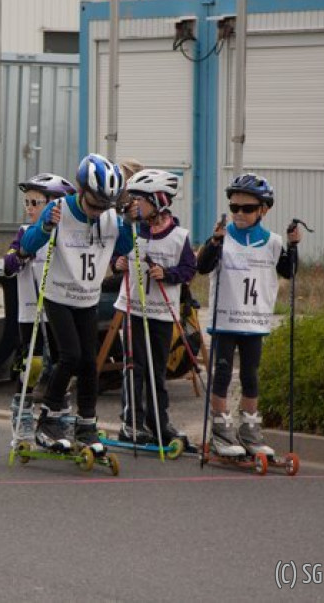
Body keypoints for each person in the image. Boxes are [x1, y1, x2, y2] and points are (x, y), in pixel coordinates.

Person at [20, 154, 134, 455]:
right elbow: (27, 245)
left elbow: (126, 247)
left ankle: (86, 424)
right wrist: (46, 226)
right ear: (81, 190)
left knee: (89, 363)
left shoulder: (108, 216)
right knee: (70, 356)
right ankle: (48, 420)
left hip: (88, 298)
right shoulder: (59, 209)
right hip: (58, 295)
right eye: (94, 205)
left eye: (104, 207)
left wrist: (128, 222)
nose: (98, 212)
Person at [195, 173, 301, 458]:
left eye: (247, 208)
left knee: (251, 375)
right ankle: (220, 431)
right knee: (222, 374)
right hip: (226, 320)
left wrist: (293, 247)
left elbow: (288, 271)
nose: (239, 213)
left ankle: (250, 430)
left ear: (263, 210)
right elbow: (202, 267)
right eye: (234, 207)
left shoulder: (273, 242)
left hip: (254, 321)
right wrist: (214, 242)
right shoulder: (222, 237)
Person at [112, 169, 196, 447]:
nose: (134, 205)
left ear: (158, 200)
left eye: (140, 200)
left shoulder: (179, 236)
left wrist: (168, 274)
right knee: (133, 367)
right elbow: (116, 255)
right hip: (134, 309)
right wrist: (117, 264)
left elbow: (189, 269)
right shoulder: (132, 231)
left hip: (161, 312)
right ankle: (131, 422)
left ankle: (159, 421)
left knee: (156, 370)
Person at [2, 172, 74, 443]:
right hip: (32, 309)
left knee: (61, 363)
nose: (30, 208)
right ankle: (22, 412)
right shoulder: (25, 233)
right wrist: (22, 255)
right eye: (27, 202)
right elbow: (9, 264)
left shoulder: (68, 236)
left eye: (36, 203)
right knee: (31, 364)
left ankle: (59, 412)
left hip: (60, 308)